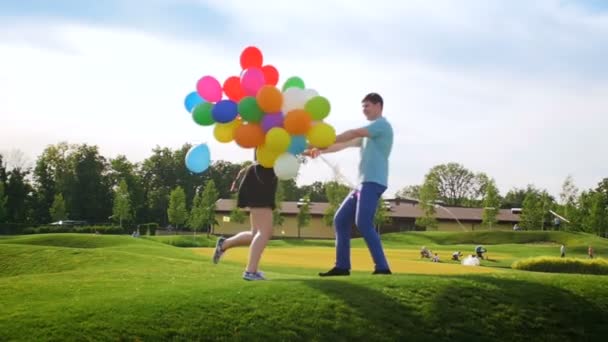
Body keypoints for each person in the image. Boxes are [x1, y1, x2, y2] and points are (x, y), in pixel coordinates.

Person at [306, 92, 393, 276]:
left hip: (373, 181)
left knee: (363, 223)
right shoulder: (369, 134)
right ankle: (342, 266)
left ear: (378, 106)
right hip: (361, 185)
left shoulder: (381, 126)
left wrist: (326, 139)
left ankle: (382, 267)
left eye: (367, 106)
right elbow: (341, 145)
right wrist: (316, 149)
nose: (364, 110)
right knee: (340, 219)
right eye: (362, 107)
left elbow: (352, 133)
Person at [212, 154, 278, 281]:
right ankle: (250, 271)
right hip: (262, 176)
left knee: (256, 234)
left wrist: (307, 151)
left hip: (260, 175)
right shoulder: (274, 136)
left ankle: (224, 244)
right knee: (265, 232)